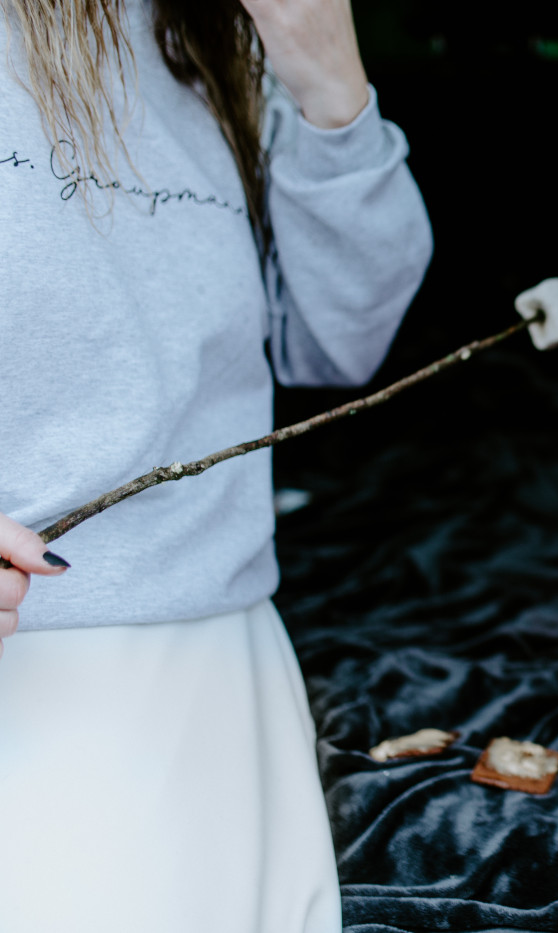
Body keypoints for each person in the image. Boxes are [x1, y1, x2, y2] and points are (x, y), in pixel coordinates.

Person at [0, 1, 431, 931]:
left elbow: (335, 342)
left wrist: (326, 79)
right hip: (22, 655)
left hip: (220, 642)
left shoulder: (210, 30)